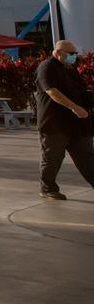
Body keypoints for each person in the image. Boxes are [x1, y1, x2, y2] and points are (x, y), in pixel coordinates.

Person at [35, 39, 94, 200]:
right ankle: (48, 188)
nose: (74, 57)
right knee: (52, 158)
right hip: (55, 124)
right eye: (72, 54)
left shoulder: (70, 68)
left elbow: (82, 91)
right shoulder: (46, 67)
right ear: (59, 52)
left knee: (87, 157)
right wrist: (74, 107)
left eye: (75, 54)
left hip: (78, 124)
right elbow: (51, 91)